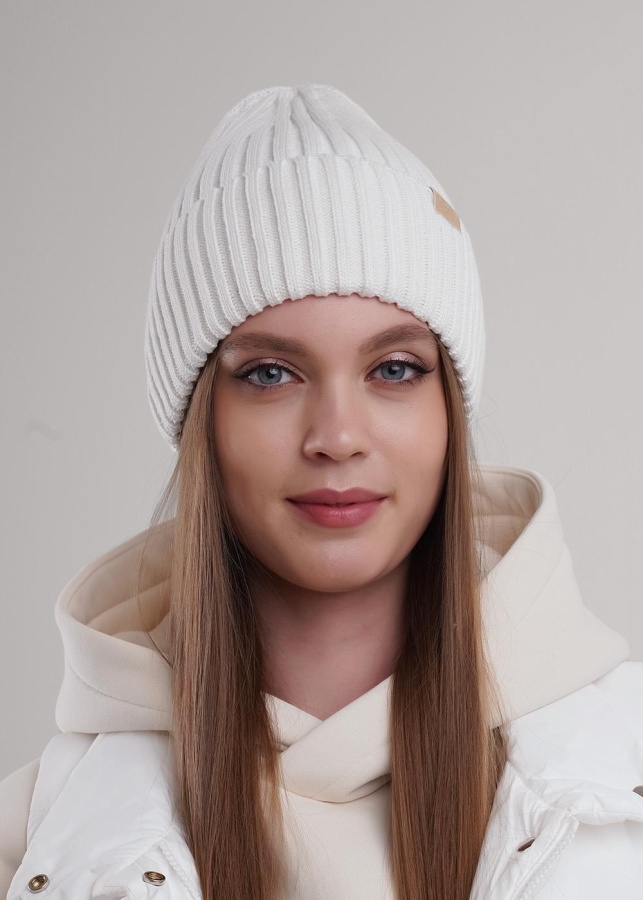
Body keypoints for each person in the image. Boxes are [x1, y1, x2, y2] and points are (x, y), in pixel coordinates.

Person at [1, 83, 642, 900]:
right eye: (270, 374)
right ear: (202, 422)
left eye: (394, 369)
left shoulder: (621, 782)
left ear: (448, 410)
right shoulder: (38, 843)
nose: (337, 435)